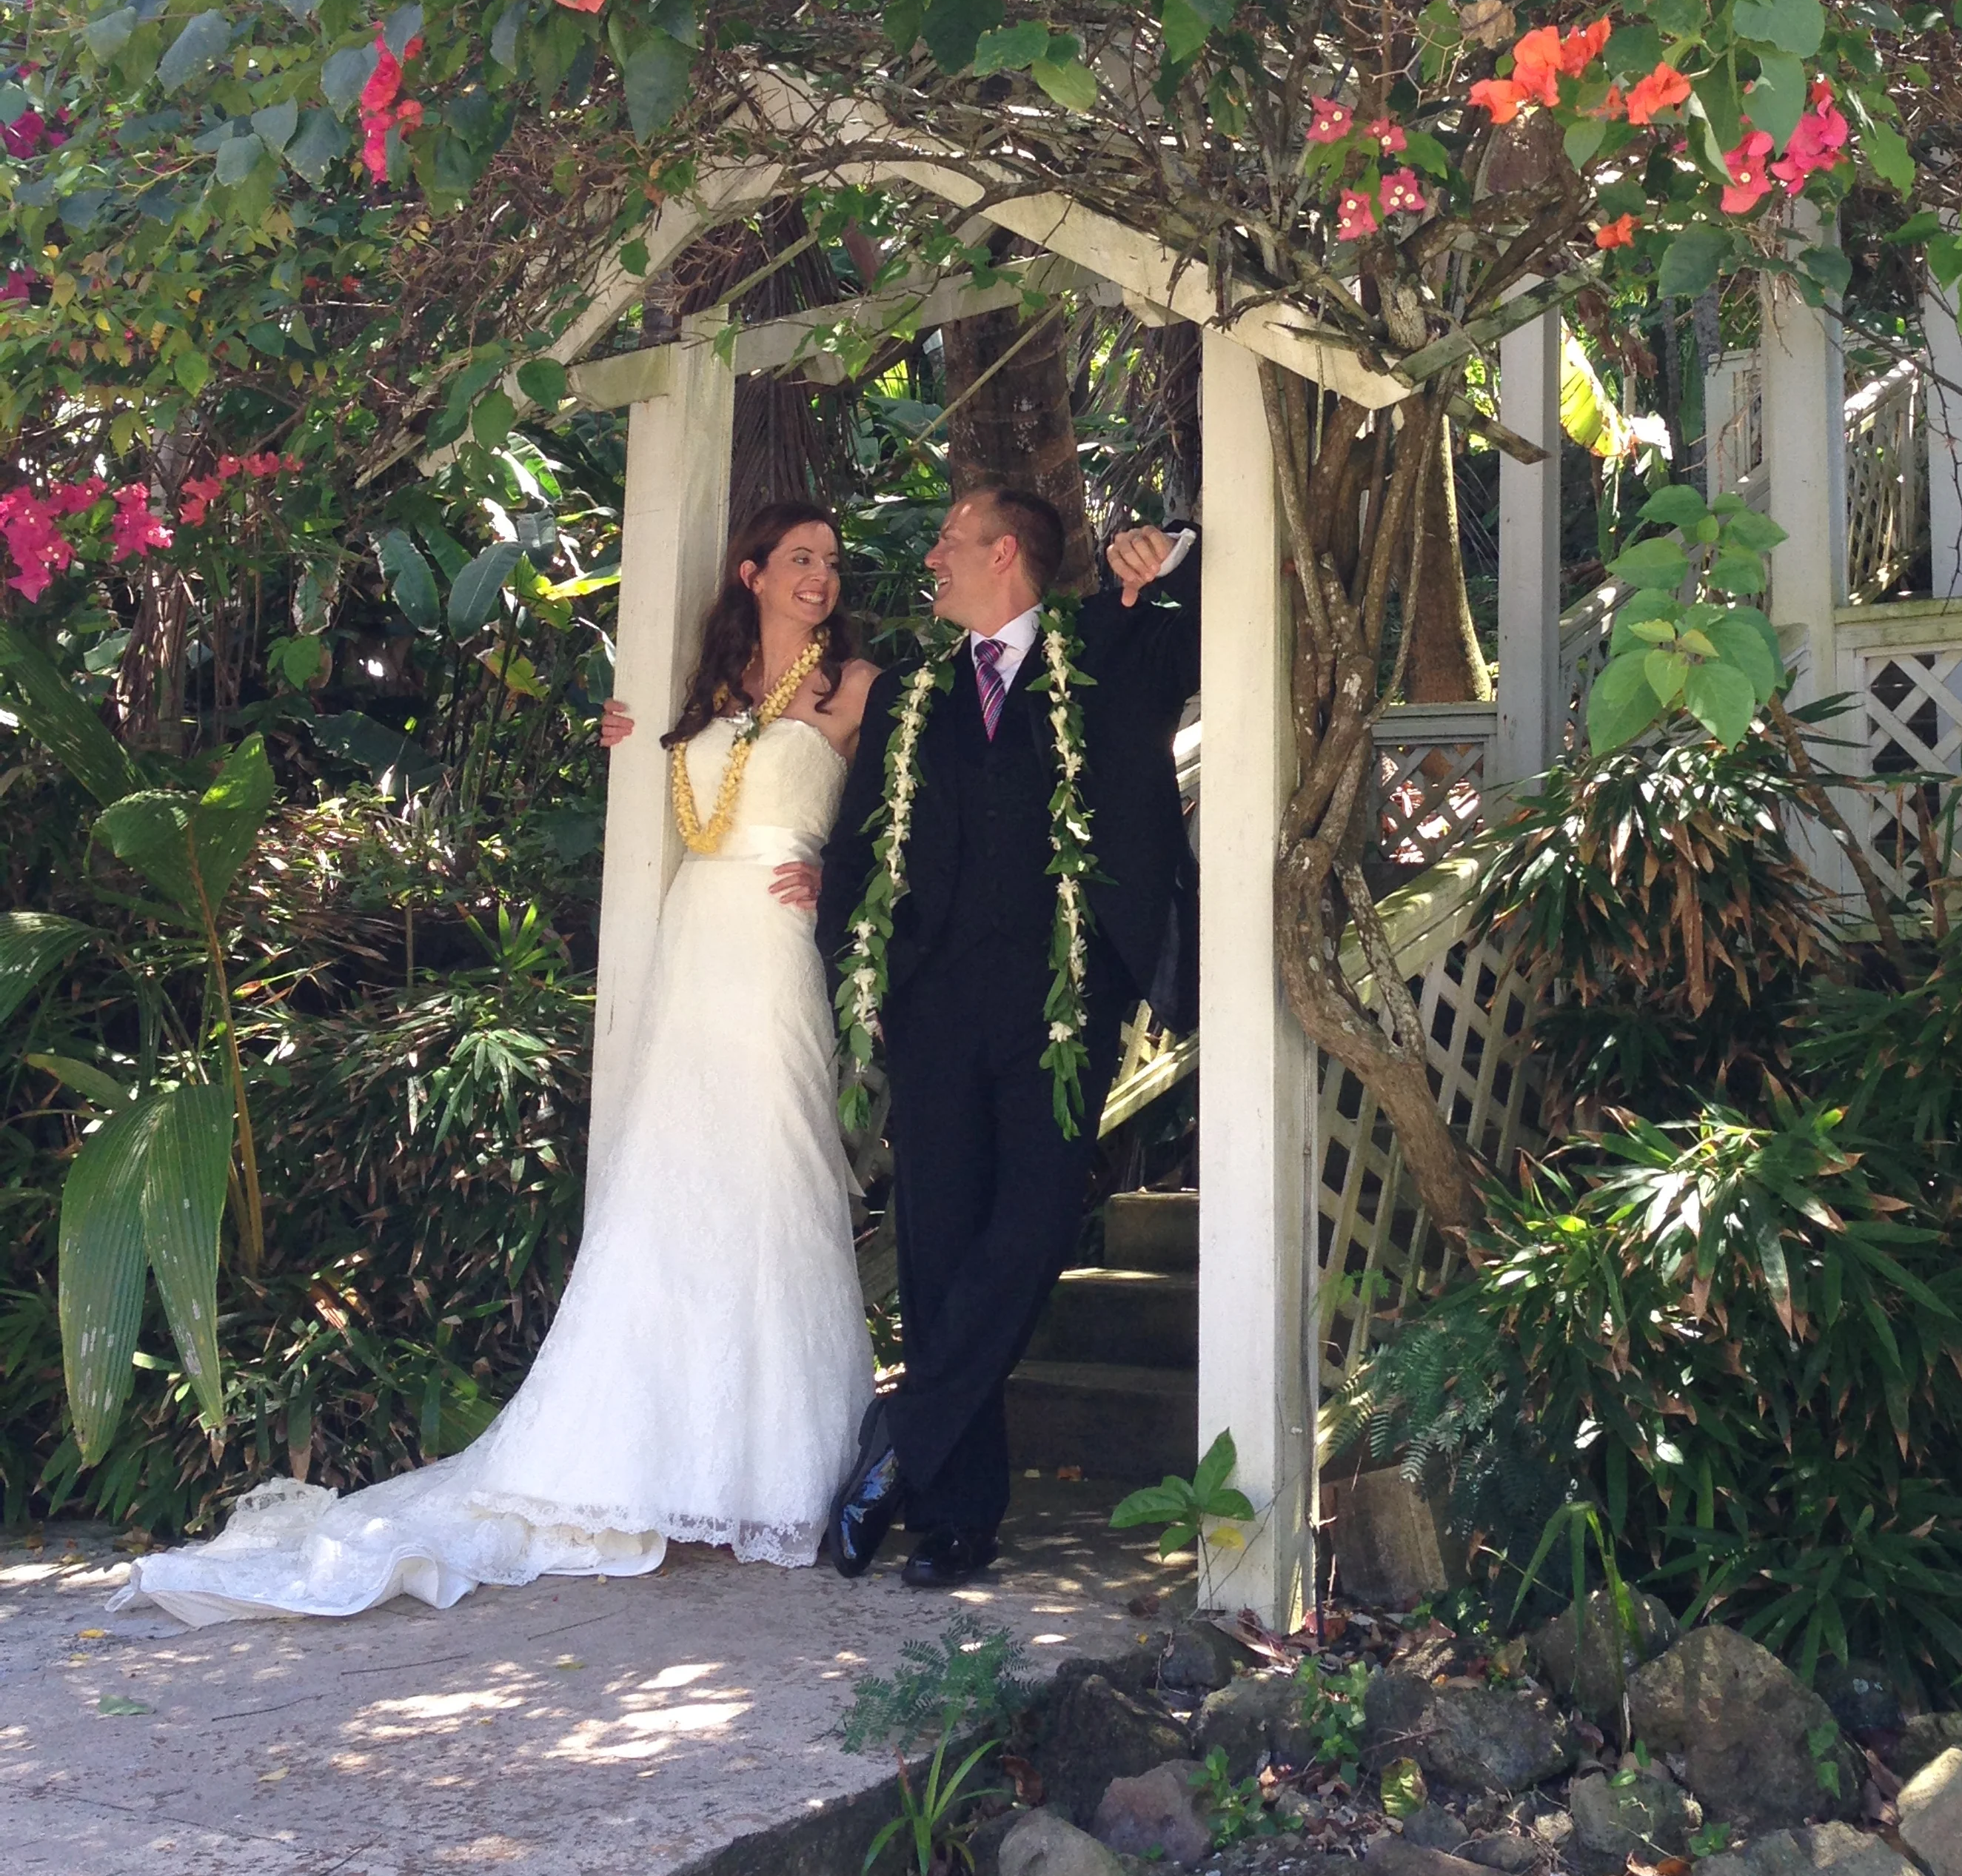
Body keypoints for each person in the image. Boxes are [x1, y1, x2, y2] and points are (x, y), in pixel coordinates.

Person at [114, 501, 881, 1627]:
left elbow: (878, 829)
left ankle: (777, 1474)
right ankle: (655, 1457)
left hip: (772, 938)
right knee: (679, 1184)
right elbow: (679, 806)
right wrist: (634, 740)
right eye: (801, 559)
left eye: (832, 562)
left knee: (779, 1169)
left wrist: (836, 883)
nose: (820, 577)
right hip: (695, 936)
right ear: (753, 571)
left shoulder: (848, 686)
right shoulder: (710, 692)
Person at [815, 485, 1199, 1587]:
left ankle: (903, 1438)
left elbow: (1216, 620)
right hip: (936, 1008)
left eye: (949, 538)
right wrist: (863, 968)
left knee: (1031, 1228)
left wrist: (1172, 547)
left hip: (1064, 1003)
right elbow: (859, 846)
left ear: (1008, 555)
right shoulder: (911, 695)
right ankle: (953, 1516)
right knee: (939, 1245)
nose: (930, 554)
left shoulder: (1110, 655)